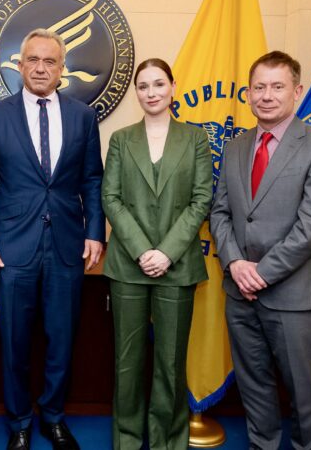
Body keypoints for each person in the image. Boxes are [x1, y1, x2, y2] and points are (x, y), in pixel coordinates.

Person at [0, 28, 104, 450]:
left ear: (62, 68)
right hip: (12, 248)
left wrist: (95, 233)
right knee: (14, 340)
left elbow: (92, 180)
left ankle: (53, 416)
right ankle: (19, 423)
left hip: (68, 245)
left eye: (50, 61)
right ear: (20, 64)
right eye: (33, 59)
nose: (41, 68)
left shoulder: (83, 117)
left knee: (62, 338)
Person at [210, 51, 311, 449]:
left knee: (304, 398)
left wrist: (261, 273)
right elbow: (220, 211)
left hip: (293, 297)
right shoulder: (236, 147)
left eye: (277, 87)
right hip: (239, 293)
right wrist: (235, 262)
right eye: (259, 87)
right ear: (248, 94)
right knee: (254, 389)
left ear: (297, 91)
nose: (266, 96)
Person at [101, 58, 212, 449]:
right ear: (136, 92)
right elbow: (110, 198)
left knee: (170, 362)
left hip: (178, 265)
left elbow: (202, 200)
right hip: (127, 266)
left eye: (159, 84)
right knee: (127, 364)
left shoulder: (196, 139)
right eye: (144, 86)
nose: (151, 92)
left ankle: (167, 441)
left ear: (173, 88)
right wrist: (142, 250)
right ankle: (128, 440)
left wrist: (165, 252)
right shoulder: (120, 139)